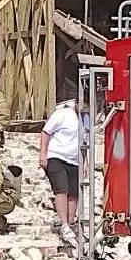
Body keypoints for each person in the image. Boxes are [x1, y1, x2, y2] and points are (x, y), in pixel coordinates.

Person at [40, 98, 85, 248]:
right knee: (62, 189)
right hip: (57, 157)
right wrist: (43, 154)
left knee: (74, 192)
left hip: (75, 160)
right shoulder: (62, 114)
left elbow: (84, 143)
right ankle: (64, 224)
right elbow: (46, 132)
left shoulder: (86, 119)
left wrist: (85, 163)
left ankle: (71, 222)